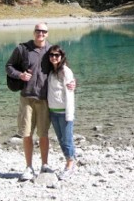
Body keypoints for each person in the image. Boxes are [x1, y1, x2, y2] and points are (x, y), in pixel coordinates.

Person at [5, 23, 75, 181]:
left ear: (47, 34)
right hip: (27, 98)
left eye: (44, 31)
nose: (40, 34)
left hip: (44, 100)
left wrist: (72, 82)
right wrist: (20, 75)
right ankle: (29, 167)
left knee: (43, 134)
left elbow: (62, 68)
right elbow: (8, 66)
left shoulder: (51, 51)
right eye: (38, 31)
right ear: (34, 32)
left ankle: (45, 165)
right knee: (27, 133)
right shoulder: (22, 49)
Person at [47, 45, 76, 180]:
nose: (54, 57)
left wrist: (69, 115)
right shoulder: (50, 72)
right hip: (53, 111)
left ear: (61, 57)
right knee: (61, 139)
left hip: (64, 112)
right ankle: (70, 161)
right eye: (51, 55)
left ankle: (70, 165)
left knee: (67, 140)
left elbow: (70, 94)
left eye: (57, 55)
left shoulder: (66, 71)